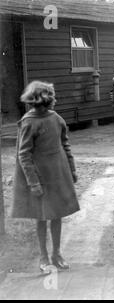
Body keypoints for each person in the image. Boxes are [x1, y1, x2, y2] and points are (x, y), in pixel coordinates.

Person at [11, 81, 80, 273]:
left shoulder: (56, 119)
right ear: (39, 101)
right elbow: (23, 154)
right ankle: (43, 257)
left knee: (56, 214)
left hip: (58, 173)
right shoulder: (28, 122)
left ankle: (56, 254)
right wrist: (33, 183)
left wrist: (72, 169)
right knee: (41, 217)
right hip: (39, 177)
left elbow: (65, 144)